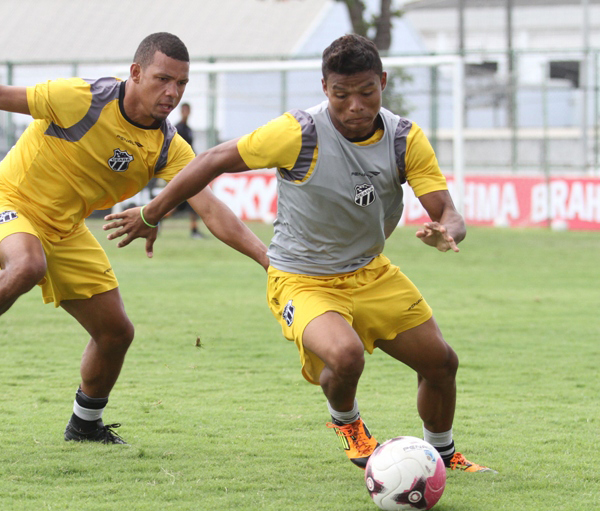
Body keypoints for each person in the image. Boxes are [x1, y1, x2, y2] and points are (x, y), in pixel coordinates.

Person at [0, 32, 268, 444]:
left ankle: (85, 424)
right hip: (7, 200)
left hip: (66, 229)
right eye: (163, 79)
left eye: (181, 84)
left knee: (116, 333)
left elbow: (212, 209)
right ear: (136, 73)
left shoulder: (166, 146)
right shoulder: (82, 98)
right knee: (29, 265)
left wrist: (270, 261)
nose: (172, 92)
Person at [104, 34, 495, 472]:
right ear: (325, 88)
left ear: (381, 83)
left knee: (442, 363)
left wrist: (447, 229)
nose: (354, 106)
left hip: (371, 272)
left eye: (366, 92)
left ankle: (442, 454)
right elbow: (213, 158)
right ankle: (347, 422)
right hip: (301, 279)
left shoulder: (404, 138)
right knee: (346, 356)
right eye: (341, 94)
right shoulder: (298, 133)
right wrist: (154, 212)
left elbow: (448, 211)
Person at [171, 102, 204, 238]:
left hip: (190, 169)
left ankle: (194, 230)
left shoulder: (189, 129)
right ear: (181, 111)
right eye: (183, 110)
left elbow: (190, 149)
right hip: (181, 170)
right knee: (179, 203)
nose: (185, 113)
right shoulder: (177, 128)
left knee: (187, 202)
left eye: (187, 110)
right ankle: (156, 218)